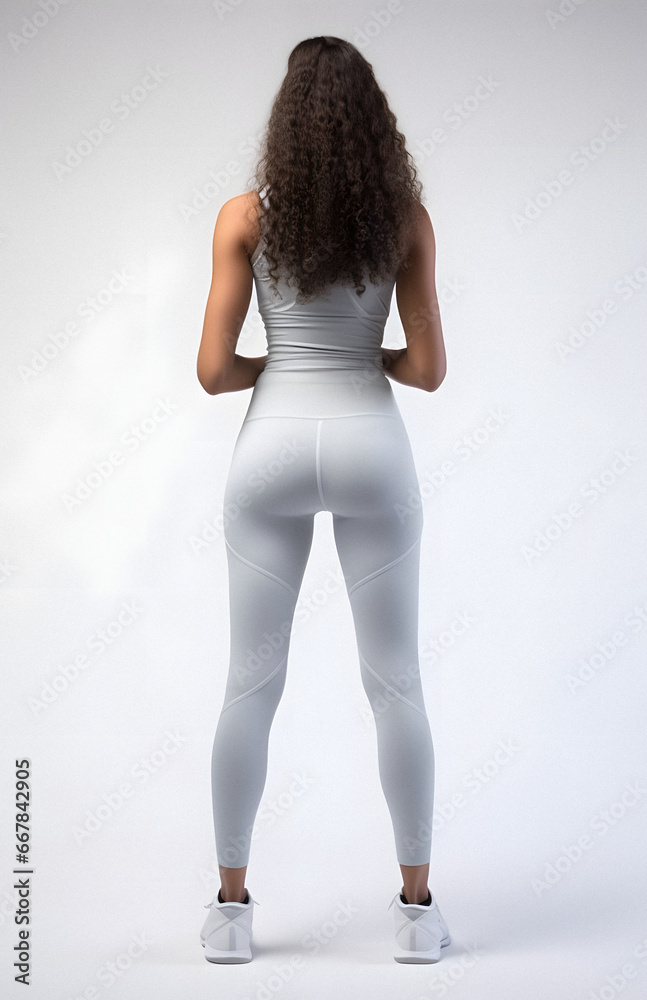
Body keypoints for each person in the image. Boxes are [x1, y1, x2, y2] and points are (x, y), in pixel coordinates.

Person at [196, 35, 450, 964]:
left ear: (284, 123)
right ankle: (417, 918)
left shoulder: (242, 219)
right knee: (396, 683)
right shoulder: (406, 221)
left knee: (249, 683)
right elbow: (426, 369)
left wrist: (278, 364)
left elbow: (212, 370)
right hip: (370, 447)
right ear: (373, 123)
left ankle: (230, 915)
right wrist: (363, 355)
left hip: (268, 450)